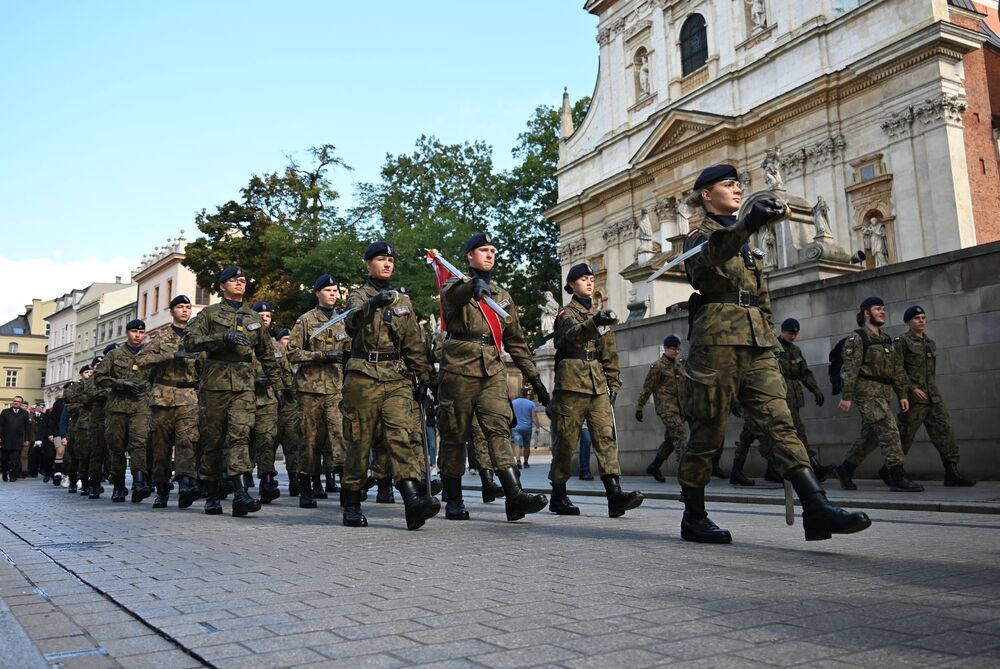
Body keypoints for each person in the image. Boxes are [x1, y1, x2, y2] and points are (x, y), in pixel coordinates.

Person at [677, 164, 870, 543]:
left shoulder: (747, 244)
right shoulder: (700, 235)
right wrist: (745, 224)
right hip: (716, 342)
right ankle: (694, 516)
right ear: (705, 194)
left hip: (758, 345)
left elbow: (761, 297)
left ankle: (816, 508)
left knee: (780, 423)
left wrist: (770, 338)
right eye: (727, 185)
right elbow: (705, 267)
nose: (736, 189)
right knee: (707, 430)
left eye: (738, 184)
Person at [435, 232, 549, 522]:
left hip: (492, 370)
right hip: (459, 368)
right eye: (483, 250)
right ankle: (454, 499)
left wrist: (535, 380)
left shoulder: (502, 296)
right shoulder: (453, 285)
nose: (490, 254)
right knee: (455, 435)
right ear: (470, 256)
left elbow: (516, 341)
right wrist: (472, 286)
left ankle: (514, 496)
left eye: (493, 250)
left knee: (499, 430)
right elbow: (453, 299)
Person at [340, 241, 440, 530]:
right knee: (360, 440)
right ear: (368, 264)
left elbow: (413, 343)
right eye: (381, 259)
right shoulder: (358, 296)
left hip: (396, 377)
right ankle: (351, 502)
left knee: (401, 437)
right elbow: (351, 324)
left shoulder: (402, 301)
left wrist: (424, 379)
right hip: (362, 376)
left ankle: (412, 501)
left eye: (390, 260)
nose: (387, 264)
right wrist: (372, 305)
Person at [185, 265, 283, 517]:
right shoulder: (209, 314)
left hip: (243, 386)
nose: (239, 283)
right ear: (222, 286)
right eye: (233, 280)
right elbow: (190, 342)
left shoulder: (254, 318)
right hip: (215, 385)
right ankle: (211, 492)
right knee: (213, 440)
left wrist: (280, 386)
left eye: (242, 279)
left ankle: (240, 494)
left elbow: (267, 355)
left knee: (240, 436)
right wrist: (222, 338)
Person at [547, 262, 643, 518]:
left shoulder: (602, 315)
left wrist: (613, 382)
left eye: (591, 278)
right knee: (566, 441)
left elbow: (609, 352)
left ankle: (615, 495)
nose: (589, 282)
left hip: (598, 383)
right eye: (583, 279)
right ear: (571, 285)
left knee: (606, 439)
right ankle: (558, 494)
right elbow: (566, 340)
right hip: (571, 384)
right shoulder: (566, 314)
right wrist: (593, 322)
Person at [834, 297, 922, 492]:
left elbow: (897, 369)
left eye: (884, 309)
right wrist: (847, 396)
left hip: (883, 394)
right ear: (867, 313)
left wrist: (903, 394)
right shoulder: (857, 338)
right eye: (877, 309)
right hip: (867, 393)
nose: (882, 312)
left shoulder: (885, 339)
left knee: (871, 436)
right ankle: (898, 476)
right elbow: (849, 369)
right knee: (890, 430)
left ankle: (845, 469)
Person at [287, 275, 351, 508]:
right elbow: (292, 353)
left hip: (336, 389)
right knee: (309, 440)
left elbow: (350, 352)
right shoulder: (305, 321)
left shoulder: (344, 321)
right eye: (328, 290)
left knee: (341, 438)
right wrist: (321, 356)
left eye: (335, 290)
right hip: (309, 390)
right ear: (317, 293)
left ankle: (348, 489)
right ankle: (306, 487)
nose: (333, 294)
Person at [894, 306, 974, 486]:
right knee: (904, 435)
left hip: (933, 397)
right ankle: (891, 469)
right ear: (908, 322)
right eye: (916, 318)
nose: (921, 321)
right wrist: (911, 388)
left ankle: (951, 472)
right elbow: (896, 369)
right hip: (915, 398)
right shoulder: (901, 341)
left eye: (923, 317)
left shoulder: (929, 343)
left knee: (944, 432)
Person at [137, 295, 202, 509]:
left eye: (188, 307)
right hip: (163, 398)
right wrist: (170, 355)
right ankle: (162, 489)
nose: (185, 310)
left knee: (187, 441)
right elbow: (141, 361)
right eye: (180, 307)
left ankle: (185, 484)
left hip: (188, 398)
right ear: (172, 311)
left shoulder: (197, 338)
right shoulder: (161, 337)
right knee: (161, 447)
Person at [775, 318, 833, 480]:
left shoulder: (795, 350)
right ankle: (813, 466)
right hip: (779, 394)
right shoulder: (773, 348)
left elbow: (804, 373)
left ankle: (774, 470)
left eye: (795, 333)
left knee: (788, 431)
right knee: (796, 431)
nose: (792, 336)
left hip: (793, 395)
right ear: (783, 331)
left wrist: (815, 390)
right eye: (789, 333)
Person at [248, 301, 286, 503]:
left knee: (267, 441)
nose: (265, 319)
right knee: (242, 441)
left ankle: (267, 480)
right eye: (260, 315)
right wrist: (251, 381)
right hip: (243, 398)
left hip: (268, 400)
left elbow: (285, 371)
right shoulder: (242, 341)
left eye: (268, 316)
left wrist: (284, 391)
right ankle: (241, 480)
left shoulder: (274, 345)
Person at [636, 335, 687, 483]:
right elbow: (647, 388)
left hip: (679, 409)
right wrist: (640, 407)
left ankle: (655, 466)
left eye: (678, 349)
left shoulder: (679, 365)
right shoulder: (657, 366)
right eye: (673, 349)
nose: (676, 352)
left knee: (671, 441)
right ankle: (686, 478)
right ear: (665, 348)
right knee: (680, 438)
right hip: (666, 408)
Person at [273, 327, 301, 496]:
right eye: (285, 339)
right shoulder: (272, 357)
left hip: (291, 408)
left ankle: (294, 479)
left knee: (293, 445)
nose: (288, 342)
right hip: (273, 407)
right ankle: (266, 479)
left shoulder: (296, 360)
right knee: (268, 444)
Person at [0, 396, 31, 482]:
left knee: (15, 459)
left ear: (21, 403)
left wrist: (27, 439)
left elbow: (27, 427)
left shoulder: (24, 413)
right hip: (6, 439)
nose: (15, 402)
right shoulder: (5, 412)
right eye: (14, 401)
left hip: (18, 440)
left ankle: (13, 475)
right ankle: (5, 473)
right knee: (4, 459)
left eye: (18, 401)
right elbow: (1, 425)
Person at [511, 388, 538, 468]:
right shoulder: (531, 404)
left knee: (517, 444)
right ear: (527, 394)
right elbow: (534, 417)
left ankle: (518, 460)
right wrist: (537, 426)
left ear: (520, 394)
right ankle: (526, 462)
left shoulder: (513, 403)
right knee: (527, 445)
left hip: (516, 427)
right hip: (527, 427)